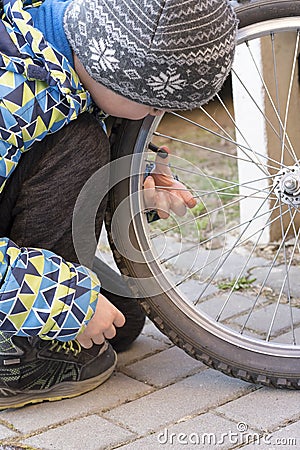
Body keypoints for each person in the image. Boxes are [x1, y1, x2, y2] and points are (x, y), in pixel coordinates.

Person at [0, 0, 237, 409]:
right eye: (155, 104)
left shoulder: (64, 50)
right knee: (80, 146)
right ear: (111, 69)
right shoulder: (12, 94)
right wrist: (62, 300)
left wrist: (133, 179)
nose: (158, 116)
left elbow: (82, 107)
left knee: (122, 322)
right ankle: (15, 362)